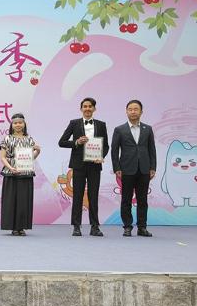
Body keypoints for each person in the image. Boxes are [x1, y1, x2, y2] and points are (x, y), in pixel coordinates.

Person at [58, 97, 109, 237]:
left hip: (95, 165)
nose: (87, 108)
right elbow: (61, 142)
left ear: (94, 109)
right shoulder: (74, 123)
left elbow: (105, 146)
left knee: (93, 195)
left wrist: (101, 156)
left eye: (90, 106)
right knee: (78, 195)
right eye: (85, 106)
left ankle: (95, 226)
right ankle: (76, 226)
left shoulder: (101, 125)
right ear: (81, 109)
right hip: (78, 165)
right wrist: (77, 142)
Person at [111, 99, 157, 237]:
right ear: (126, 111)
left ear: (141, 112)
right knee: (126, 199)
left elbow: (152, 149)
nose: (133, 111)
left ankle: (142, 227)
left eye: (136, 109)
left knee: (142, 200)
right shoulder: (119, 129)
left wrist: (153, 167)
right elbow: (114, 150)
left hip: (144, 169)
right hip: (126, 169)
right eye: (130, 109)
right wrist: (116, 168)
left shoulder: (148, 129)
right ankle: (127, 226)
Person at [0, 113, 41, 236]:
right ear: (12, 125)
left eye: (20, 123)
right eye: (15, 123)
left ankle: (21, 227)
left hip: (25, 172)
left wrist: (38, 151)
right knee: (11, 200)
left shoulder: (29, 139)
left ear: (24, 124)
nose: (18, 125)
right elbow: (2, 157)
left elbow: (30, 158)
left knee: (24, 201)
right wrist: (11, 168)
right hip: (11, 173)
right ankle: (13, 227)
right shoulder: (7, 138)